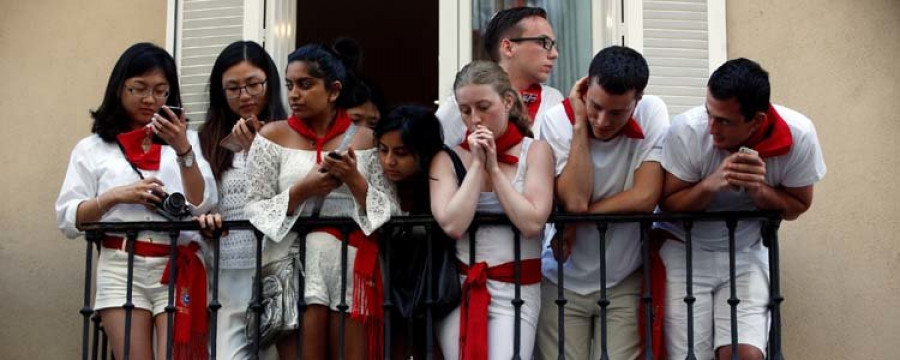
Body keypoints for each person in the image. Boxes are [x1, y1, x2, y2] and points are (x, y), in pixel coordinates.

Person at [656, 58, 826, 360]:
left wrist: (759, 190)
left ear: (757, 121)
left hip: (746, 250)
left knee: (746, 354)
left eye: (724, 120)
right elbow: (668, 203)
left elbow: (798, 205)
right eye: (709, 112)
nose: (711, 127)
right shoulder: (688, 130)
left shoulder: (798, 133)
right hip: (685, 249)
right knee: (688, 356)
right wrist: (712, 184)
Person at [55, 42, 217, 360]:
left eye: (161, 90)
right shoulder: (93, 148)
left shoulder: (186, 141)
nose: (150, 99)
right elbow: (68, 218)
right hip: (120, 263)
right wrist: (115, 197)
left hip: (175, 262)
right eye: (139, 88)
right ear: (119, 87)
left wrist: (183, 149)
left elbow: (202, 203)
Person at [243, 43, 397, 360]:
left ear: (334, 90)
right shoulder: (270, 136)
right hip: (293, 265)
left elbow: (390, 209)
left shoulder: (366, 138)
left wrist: (354, 179)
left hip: (352, 262)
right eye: (289, 85)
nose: (294, 94)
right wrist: (303, 190)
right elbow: (254, 208)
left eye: (305, 84)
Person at [533, 46, 669, 360]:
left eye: (617, 112)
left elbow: (646, 196)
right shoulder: (558, 119)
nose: (603, 120)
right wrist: (580, 125)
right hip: (561, 278)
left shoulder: (652, 111)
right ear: (585, 90)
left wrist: (575, 222)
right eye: (595, 106)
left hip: (623, 277)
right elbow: (576, 201)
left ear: (638, 100)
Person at [430, 61, 554, 359]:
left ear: (508, 101)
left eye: (483, 106)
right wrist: (476, 165)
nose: (474, 119)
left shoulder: (536, 151)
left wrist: (494, 170)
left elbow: (532, 222)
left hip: (517, 289)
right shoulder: (446, 158)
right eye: (465, 110)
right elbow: (452, 224)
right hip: (461, 288)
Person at [194, 40, 286, 360]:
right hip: (226, 272)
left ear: (269, 83)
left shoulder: (289, 134)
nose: (244, 96)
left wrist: (257, 151)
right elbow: (199, 201)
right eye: (232, 88)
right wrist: (206, 220)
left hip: (277, 267)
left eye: (253, 85)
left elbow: (290, 198)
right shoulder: (205, 140)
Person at [372, 106, 446, 359]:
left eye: (400, 153)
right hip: (390, 293)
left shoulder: (438, 188)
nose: (389, 161)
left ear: (423, 153)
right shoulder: (379, 184)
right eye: (382, 150)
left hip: (431, 292)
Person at [437, 6, 563, 146]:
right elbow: (430, 155)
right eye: (544, 43)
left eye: (553, 44)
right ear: (508, 48)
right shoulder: (464, 102)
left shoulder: (553, 100)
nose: (554, 54)